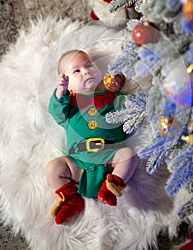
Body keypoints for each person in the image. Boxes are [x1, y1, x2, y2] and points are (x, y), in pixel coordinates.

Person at [46, 50, 138, 224]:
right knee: (53, 168)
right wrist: (60, 94)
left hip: (109, 160)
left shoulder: (111, 96)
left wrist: (130, 103)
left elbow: (126, 106)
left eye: (88, 65)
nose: (86, 71)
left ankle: (112, 186)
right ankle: (70, 199)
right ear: (67, 83)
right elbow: (55, 111)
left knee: (129, 155)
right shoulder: (68, 106)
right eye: (76, 71)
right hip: (78, 165)